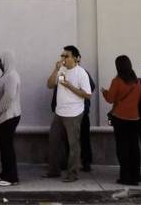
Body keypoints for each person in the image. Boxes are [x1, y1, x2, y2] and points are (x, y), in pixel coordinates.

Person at [44, 45, 93, 183]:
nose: (63, 58)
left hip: (74, 113)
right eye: (62, 55)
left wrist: (69, 85)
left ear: (76, 58)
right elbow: (49, 85)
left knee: (73, 145)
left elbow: (88, 95)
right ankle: (53, 171)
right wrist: (56, 69)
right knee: (53, 142)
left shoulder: (81, 73)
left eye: (67, 56)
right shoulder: (62, 70)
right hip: (59, 112)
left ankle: (73, 174)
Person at [102, 55, 141, 186]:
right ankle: (135, 177)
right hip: (135, 118)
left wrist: (104, 92)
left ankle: (125, 177)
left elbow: (110, 99)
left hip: (120, 119)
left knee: (122, 149)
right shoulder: (137, 82)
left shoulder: (117, 81)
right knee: (134, 148)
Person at [0, 50, 21, 187]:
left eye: (0, 61)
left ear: (6, 61)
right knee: (3, 146)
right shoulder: (6, 75)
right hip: (3, 117)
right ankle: (5, 172)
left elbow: (8, 98)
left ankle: (12, 177)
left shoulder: (12, 76)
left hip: (8, 117)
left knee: (7, 147)